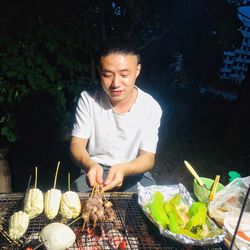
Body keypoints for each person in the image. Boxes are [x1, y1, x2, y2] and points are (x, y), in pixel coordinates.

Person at [70, 37, 162, 192]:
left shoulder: (150, 107)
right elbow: (76, 145)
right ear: (100, 72)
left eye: (124, 74)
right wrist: (90, 164)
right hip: (96, 169)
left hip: (133, 169)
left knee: (150, 209)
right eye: (107, 75)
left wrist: (125, 169)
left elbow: (148, 157)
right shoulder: (88, 99)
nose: (116, 83)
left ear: (137, 70)